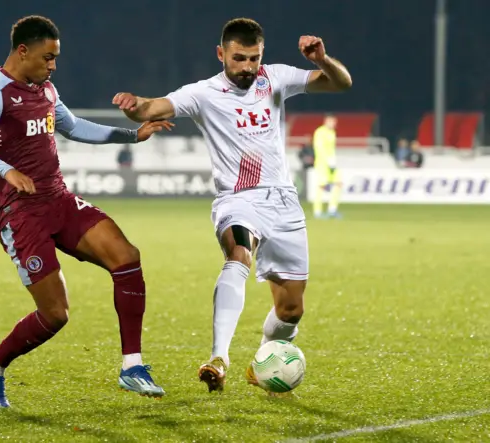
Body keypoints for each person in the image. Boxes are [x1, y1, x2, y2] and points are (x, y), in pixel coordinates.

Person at [112, 17, 352, 393]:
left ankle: (262, 363)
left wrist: (322, 59)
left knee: (291, 310)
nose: (247, 68)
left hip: (284, 202)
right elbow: (151, 108)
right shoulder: (204, 93)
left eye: (253, 58)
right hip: (238, 200)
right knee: (239, 253)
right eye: (239, 58)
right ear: (221, 54)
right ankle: (219, 358)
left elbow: (342, 83)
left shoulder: (275, 78)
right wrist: (133, 106)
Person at [0, 15, 172, 407]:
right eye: (48, 57)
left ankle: (132, 367)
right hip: (19, 213)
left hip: (59, 200)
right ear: (23, 51)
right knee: (55, 315)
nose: (53, 66)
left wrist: (132, 135)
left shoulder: (46, 90)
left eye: (56, 58)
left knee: (126, 257)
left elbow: (74, 127)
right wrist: (3, 169)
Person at [312, 114, 342, 219]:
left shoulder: (332, 132)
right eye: (331, 121)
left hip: (332, 164)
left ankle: (332, 210)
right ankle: (317, 212)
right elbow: (319, 148)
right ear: (326, 121)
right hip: (322, 164)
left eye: (334, 122)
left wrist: (333, 160)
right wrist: (327, 160)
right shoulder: (320, 132)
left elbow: (331, 149)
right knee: (321, 186)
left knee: (338, 184)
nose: (333, 124)